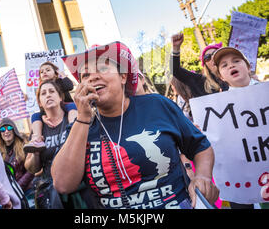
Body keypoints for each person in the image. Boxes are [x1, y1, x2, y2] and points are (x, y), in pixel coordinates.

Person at [51, 41, 219, 209]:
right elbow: (63, 184)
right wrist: (83, 118)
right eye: (85, 76)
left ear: (123, 76)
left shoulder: (157, 105)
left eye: (102, 69)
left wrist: (202, 177)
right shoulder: (79, 127)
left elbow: (200, 147)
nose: (93, 77)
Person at [213, 46, 267, 210]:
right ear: (221, 76)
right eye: (224, 65)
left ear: (248, 66)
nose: (231, 66)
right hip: (245, 182)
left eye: (236, 61)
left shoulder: (266, 91)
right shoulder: (217, 108)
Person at [24, 79, 87, 209]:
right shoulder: (38, 129)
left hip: (81, 190)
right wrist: (36, 154)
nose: (48, 95)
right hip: (53, 195)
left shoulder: (73, 118)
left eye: (52, 91)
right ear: (40, 103)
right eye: (43, 93)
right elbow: (32, 168)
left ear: (60, 98)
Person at [24, 61, 75, 153]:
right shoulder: (40, 88)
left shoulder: (59, 82)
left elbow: (70, 86)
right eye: (41, 71)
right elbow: (42, 106)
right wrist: (43, 116)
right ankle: (37, 140)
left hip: (65, 106)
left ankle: (73, 128)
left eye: (48, 70)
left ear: (55, 73)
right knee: (35, 116)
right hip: (50, 110)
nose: (44, 72)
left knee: (72, 105)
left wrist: (62, 74)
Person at [171, 32, 228, 97]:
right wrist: (176, 48)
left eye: (215, 54)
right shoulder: (199, 82)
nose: (212, 58)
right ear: (205, 65)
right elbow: (175, 70)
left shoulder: (235, 74)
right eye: (207, 57)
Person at [0, 118, 34, 194]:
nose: (6, 131)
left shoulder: (24, 146)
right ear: (0, 133)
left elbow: (31, 170)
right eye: (2, 129)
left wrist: (17, 186)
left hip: (27, 191)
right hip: (8, 193)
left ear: (14, 130)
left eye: (9, 128)